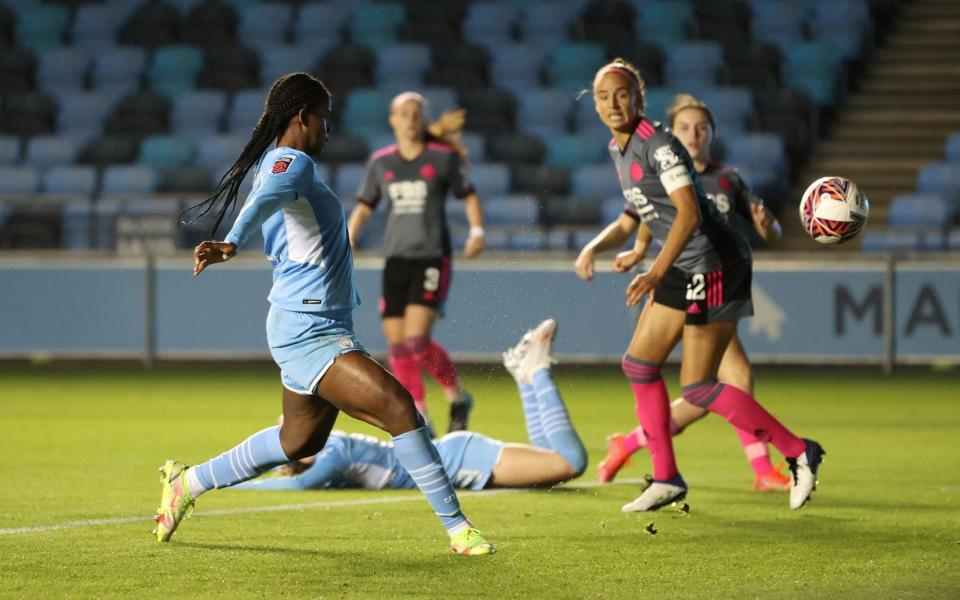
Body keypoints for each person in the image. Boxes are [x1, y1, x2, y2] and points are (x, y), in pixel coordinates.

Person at [154, 73, 493, 556]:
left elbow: (268, 195)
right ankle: (459, 530)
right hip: (310, 330)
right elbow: (263, 200)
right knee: (400, 409)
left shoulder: (285, 164)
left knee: (296, 441)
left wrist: (236, 238)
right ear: (303, 117)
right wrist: (232, 241)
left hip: (309, 324)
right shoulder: (291, 162)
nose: (328, 128)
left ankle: (188, 483)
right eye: (325, 117)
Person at [574, 59, 824, 512]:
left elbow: (688, 214)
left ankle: (797, 450)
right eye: (603, 96)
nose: (613, 104)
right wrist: (596, 247)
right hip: (683, 262)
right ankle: (666, 477)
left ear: (640, 99)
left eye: (622, 94)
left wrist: (652, 270)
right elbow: (644, 213)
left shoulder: (660, 146)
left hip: (713, 264)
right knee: (639, 366)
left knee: (698, 387)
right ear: (594, 103)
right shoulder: (619, 148)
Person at [597, 93, 791, 492]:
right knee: (726, 380)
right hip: (681, 281)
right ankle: (765, 469)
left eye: (702, 128)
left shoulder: (728, 179)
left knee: (706, 389)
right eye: (685, 127)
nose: (693, 134)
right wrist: (637, 250)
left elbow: (770, 232)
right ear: (672, 130)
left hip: (714, 279)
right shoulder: (657, 163)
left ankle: (633, 443)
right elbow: (641, 216)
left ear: (713, 134)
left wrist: (767, 225)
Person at [236, 319, 587, 492]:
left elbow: (297, 485)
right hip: (452, 455)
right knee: (549, 460)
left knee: (569, 462)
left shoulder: (334, 452)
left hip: (457, 461)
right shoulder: (332, 459)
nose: (298, 430)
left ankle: (536, 372)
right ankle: (526, 376)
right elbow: (294, 476)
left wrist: (235, 482)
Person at [347, 92, 485, 435]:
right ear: (393, 120)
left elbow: (469, 196)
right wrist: (350, 234)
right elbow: (365, 205)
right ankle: (420, 415)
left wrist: (477, 231)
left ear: (423, 120)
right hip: (396, 259)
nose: (410, 119)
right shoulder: (381, 163)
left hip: (432, 257)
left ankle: (456, 396)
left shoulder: (441, 159)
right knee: (397, 345)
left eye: (416, 114)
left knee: (415, 341)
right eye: (403, 114)